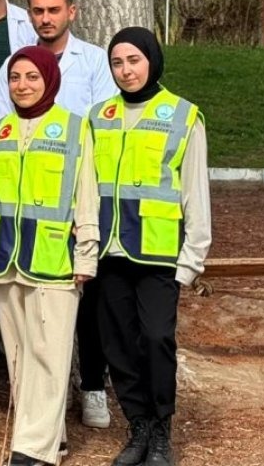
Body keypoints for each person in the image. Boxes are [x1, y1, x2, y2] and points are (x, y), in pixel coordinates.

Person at [0, 0, 118, 428]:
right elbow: (0, 126)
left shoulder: (95, 62)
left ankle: (94, 387)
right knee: (32, 331)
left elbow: (104, 122)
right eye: (38, 11)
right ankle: (45, 422)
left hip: (79, 188)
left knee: (87, 305)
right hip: (25, 200)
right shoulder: (17, 65)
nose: (45, 19)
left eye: (53, 11)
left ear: (71, 12)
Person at [90, 27, 211, 466]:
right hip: (110, 253)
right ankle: (137, 426)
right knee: (118, 343)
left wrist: (191, 261)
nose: (126, 71)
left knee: (157, 338)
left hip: (159, 256)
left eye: (134, 60)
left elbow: (196, 192)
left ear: (152, 60)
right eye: (117, 63)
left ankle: (161, 430)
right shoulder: (97, 117)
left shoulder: (182, 115)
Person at [0, 46, 99, 466]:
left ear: (50, 79)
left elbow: (87, 196)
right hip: (6, 256)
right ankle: (54, 438)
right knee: (19, 354)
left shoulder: (74, 129)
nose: (23, 85)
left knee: (49, 354)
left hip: (55, 259)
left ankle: (33, 448)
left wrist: (86, 254)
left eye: (32, 76)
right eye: (15, 77)